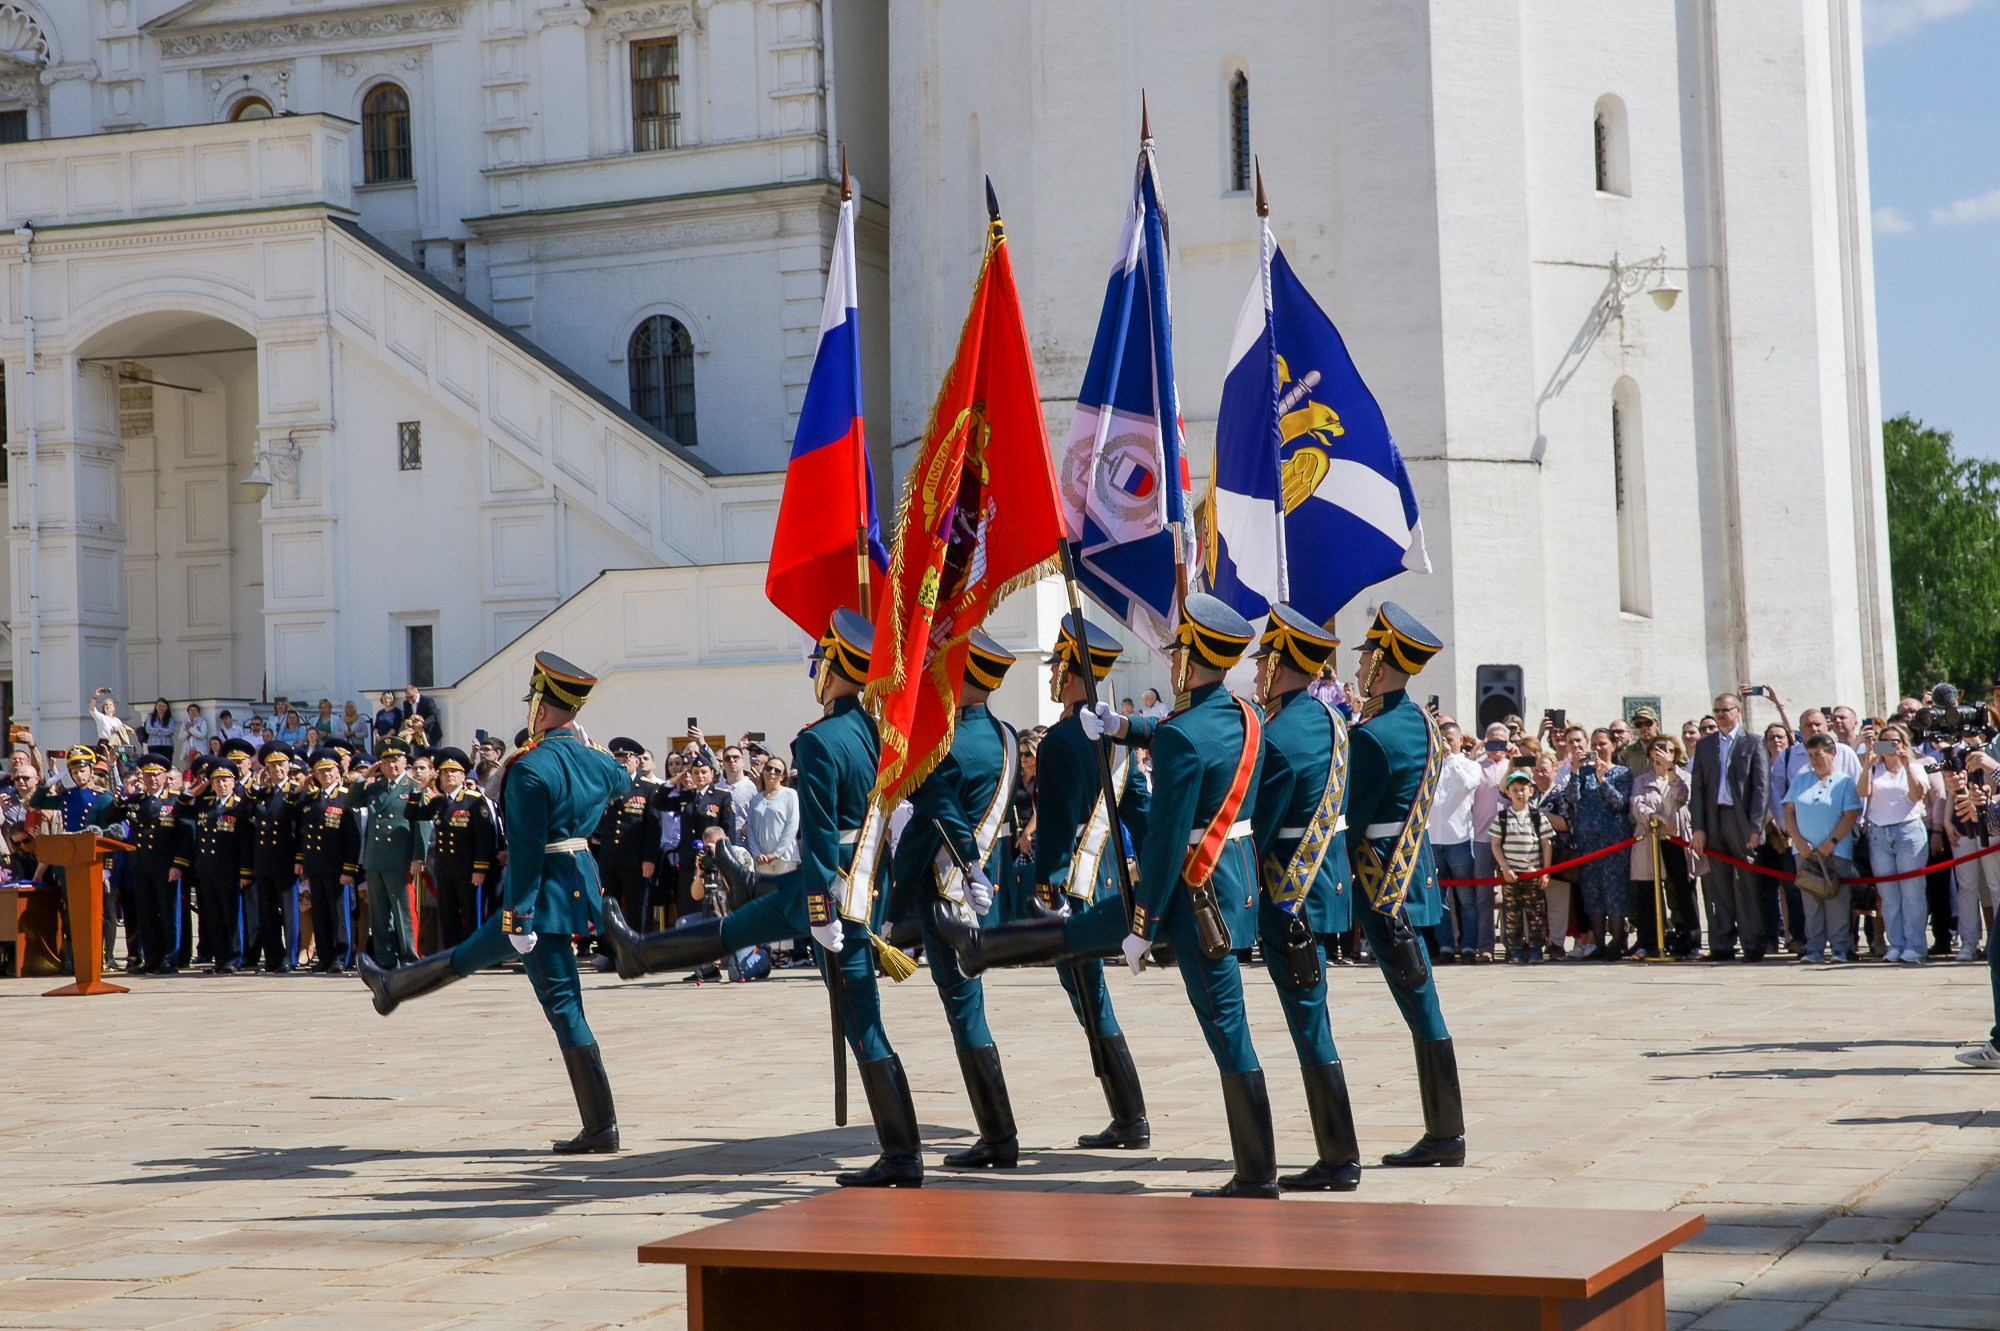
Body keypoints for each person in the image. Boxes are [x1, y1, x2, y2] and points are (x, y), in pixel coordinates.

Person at [948, 594, 1273, 1198]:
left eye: (1179, 653)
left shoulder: (1081, 741)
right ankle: (1135, 1118)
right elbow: (1148, 805)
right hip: (1224, 882)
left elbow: (1105, 824)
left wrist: (1143, 918)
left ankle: (1247, 1167)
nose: (1172, 662)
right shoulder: (1244, 715)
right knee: (1196, 1016)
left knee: (1210, 1022)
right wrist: (1126, 726)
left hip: (1173, 890)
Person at [602, 610, 925, 1187]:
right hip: (857, 881)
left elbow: (822, 834)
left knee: (863, 1023)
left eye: (822, 661)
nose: (817, 670)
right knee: (743, 924)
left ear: (835, 668)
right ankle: (643, 951)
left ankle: (903, 1155)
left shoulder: (821, 740)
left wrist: (824, 912)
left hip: (832, 896)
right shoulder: (873, 730)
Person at [360, 653, 631, 1153]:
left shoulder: (529, 769)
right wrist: (585, 744)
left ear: (542, 710)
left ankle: (601, 1126)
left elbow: (527, 850)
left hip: (540, 897)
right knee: (473, 956)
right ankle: (392, 986)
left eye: (534, 703)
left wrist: (521, 912)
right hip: (576, 883)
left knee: (563, 1004)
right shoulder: (595, 760)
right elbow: (623, 781)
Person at [989, 612, 1153, 1151]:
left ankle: (1129, 1117)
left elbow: (1056, 828)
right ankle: (1127, 1116)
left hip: (1072, 886)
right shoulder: (1117, 737)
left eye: (1060, 663)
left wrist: (1046, 890)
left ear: (1073, 671)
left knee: (1089, 996)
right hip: (1108, 877)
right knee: (1093, 994)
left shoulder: (1061, 740)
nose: (1055, 673)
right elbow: (1143, 809)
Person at [884, 630, 1023, 1170]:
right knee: (971, 1011)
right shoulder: (1006, 737)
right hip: (977, 890)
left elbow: (924, 832)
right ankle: (999, 1135)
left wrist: (894, 915)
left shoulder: (943, 746)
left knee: (966, 1015)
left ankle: (999, 1137)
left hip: (944, 896)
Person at [1242, 603, 1362, 1191]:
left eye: (1264, 659)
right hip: (1325, 893)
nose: (1258, 669)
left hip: (1289, 899)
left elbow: (1254, 827)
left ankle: (1340, 1158)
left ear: (1280, 666)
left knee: (1310, 1024)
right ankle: (1339, 1154)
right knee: (1315, 1019)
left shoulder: (1278, 734)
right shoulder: (1331, 719)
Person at [1340, 603, 1462, 1166]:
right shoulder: (1420, 723)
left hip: (1381, 884)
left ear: (1382, 666)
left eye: (1367, 655)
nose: (1359, 663)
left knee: (1420, 1007)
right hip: (1413, 880)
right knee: (1423, 1001)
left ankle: (1445, 1134)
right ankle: (1445, 1132)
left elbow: (1349, 816)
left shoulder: (1373, 736)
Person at [1690, 692, 1770, 961]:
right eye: (1717, 710)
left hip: (1742, 822)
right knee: (1718, 885)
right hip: (1714, 820)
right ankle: (1722, 944)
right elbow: (1697, 789)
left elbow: (1761, 788)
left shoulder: (1754, 742)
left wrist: (1756, 828)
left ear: (1738, 710)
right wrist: (1698, 828)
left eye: (1725, 710)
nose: (1721, 715)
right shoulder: (1706, 745)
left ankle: (1753, 943)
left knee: (1746, 883)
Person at [407, 747, 500, 951]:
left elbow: (485, 838)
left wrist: (480, 869)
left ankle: (474, 954)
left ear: (462, 775)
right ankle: (452, 956)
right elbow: (412, 814)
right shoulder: (438, 802)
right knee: (448, 916)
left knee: (472, 914)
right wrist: (419, 788)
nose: (449, 775)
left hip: (468, 870)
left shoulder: (474, 801)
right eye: (444, 772)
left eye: (454, 772)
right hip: (445, 869)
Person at [1782, 732, 1862, 964]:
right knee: (1811, 902)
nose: (1814, 760)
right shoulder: (1800, 780)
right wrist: (1797, 840)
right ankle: (1814, 950)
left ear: (1832, 754)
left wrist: (1833, 841)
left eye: (1819, 754)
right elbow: (1788, 811)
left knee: (1837, 902)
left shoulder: (1845, 781)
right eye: (1810, 755)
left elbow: (1851, 814)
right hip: (1805, 853)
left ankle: (1840, 949)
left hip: (1836, 852)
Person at [352, 738, 429, 967]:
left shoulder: (414, 787)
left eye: (395, 761)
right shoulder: (375, 788)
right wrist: (364, 777)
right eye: (386, 762)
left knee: (404, 913)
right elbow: (351, 800)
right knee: (380, 914)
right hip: (376, 859)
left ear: (405, 762)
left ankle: (409, 958)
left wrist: (418, 857)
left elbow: (421, 824)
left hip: (400, 859)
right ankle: (386, 959)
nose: (391, 766)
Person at [174, 757, 255, 974]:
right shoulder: (205, 804)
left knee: (232, 916)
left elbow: (246, 841)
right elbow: (179, 812)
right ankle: (220, 959)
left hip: (230, 871)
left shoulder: (239, 805)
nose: (221, 785)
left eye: (225, 780)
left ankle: (234, 958)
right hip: (207, 871)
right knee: (214, 918)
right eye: (217, 781)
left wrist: (245, 871)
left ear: (233, 782)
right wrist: (191, 792)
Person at [1858, 723, 1930, 964]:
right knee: (1888, 896)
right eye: (1884, 741)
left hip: (1908, 831)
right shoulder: (1875, 769)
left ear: (1903, 744)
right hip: (1879, 835)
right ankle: (1896, 944)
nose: (1890, 746)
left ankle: (1916, 945)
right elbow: (1863, 791)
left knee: (1912, 893)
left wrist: (1907, 766)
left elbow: (1917, 794)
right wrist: (1868, 764)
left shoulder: (1916, 767)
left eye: (1895, 741)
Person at [109, 754, 184, 974]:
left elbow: (184, 835)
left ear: (164, 777)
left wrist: (179, 864)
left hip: (165, 865)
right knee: (147, 914)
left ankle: (171, 958)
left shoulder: (175, 800)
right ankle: (152, 958)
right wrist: (123, 796)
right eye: (148, 775)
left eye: (157, 775)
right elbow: (111, 815)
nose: (152, 779)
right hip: (141, 866)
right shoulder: (136, 800)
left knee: (169, 914)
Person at [1563, 728, 1632, 959]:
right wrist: (1574, 770)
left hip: (1613, 842)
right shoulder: (1583, 773)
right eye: (1594, 744)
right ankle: (1599, 945)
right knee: (1592, 893)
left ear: (1613, 746)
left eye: (1602, 744)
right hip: (1588, 844)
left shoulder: (1623, 772)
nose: (1598, 748)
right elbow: (1572, 799)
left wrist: (1603, 780)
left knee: (1614, 892)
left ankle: (1617, 943)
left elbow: (1620, 803)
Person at [1628, 736, 1698, 958]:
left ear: (1675, 754)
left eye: (1667, 750)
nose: (1661, 753)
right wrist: (1653, 816)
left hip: (1676, 839)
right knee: (1647, 891)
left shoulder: (1684, 776)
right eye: (1657, 750)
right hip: (1649, 838)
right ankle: (1648, 942)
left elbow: (1682, 796)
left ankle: (1691, 940)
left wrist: (1670, 770)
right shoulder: (1641, 780)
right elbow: (1636, 805)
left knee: (1683, 891)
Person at [592, 738, 661, 954]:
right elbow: (595, 820)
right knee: (608, 906)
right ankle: (610, 952)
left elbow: (654, 827)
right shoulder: (606, 787)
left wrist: (649, 858)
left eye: (626, 758)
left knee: (636, 907)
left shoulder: (648, 789)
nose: (621, 762)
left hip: (636, 860)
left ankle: (639, 950)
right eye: (617, 758)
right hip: (609, 858)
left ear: (637, 762)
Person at [296, 749, 361, 972]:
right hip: (316, 865)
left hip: (338, 867)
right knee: (320, 913)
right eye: (321, 771)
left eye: (329, 770)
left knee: (339, 914)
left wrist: (349, 869)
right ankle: (324, 957)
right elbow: (301, 830)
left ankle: (342, 957)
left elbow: (354, 838)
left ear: (338, 772)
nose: (325, 775)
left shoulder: (346, 797)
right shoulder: (310, 798)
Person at [244, 743, 304, 973]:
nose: (277, 768)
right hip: (263, 861)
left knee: (289, 914)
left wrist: (300, 857)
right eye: (272, 764)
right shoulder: (263, 792)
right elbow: (245, 815)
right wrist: (256, 788)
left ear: (289, 766)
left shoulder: (295, 791)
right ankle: (272, 957)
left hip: (286, 859)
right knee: (267, 913)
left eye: (281, 764)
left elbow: (301, 828)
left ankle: (291, 957)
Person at [1429, 720, 1481, 963]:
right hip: (1433, 841)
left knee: (1466, 899)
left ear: (1461, 740)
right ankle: (1446, 947)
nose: (1446, 743)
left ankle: (1469, 946)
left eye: (1450, 739)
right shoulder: (1430, 766)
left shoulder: (1470, 766)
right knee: (1439, 901)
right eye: (1442, 739)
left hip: (1459, 840)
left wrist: (1449, 759)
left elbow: (1467, 785)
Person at [1491, 770, 1552, 963]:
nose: (1519, 793)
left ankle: (1535, 949)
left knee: (1536, 914)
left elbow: (1546, 844)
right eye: (1515, 790)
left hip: (1533, 873)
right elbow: (1496, 845)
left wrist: (1545, 872)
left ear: (1531, 791)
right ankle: (1515, 949)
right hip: (1512, 876)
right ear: (1508, 793)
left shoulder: (1538, 817)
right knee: (1512, 915)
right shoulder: (1502, 818)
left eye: (1523, 789)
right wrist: (1505, 868)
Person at [745, 758, 800, 871]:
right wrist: (756, 853)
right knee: (765, 889)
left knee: (785, 889)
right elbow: (750, 827)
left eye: (777, 771)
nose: (772, 772)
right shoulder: (756, 799)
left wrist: (776, 853)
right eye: (769, 768)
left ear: (783, 776)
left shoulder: (790, 794)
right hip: (762, 859)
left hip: (785, 857)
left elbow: (792, 826)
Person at [398, 685, 442, 749]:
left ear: (416, 691)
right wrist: (408, 723)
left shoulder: (427, 700)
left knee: (431, 756)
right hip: (416, 737)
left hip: (430, 735)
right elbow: (405, 717)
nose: (410, 699)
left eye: (411, 697)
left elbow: (433, 715)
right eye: (407, 697)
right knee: (418, 757)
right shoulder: (406, 703)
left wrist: (423, 724)